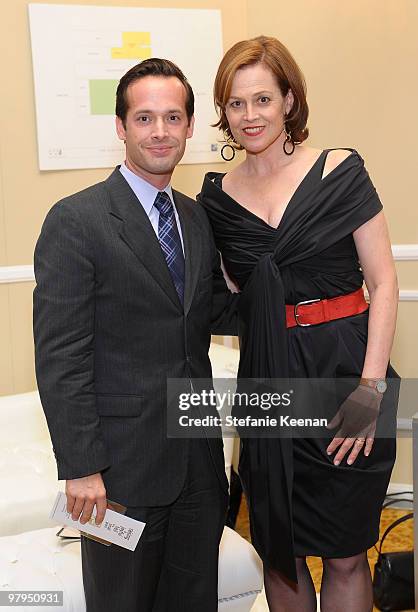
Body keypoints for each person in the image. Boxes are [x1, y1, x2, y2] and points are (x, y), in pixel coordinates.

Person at [198, 36, 399, 612]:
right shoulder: (216, 199)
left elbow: (383, 284)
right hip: (269, 382)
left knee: (344, 551)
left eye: (262, 99)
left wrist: (371, 389)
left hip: (346, 373)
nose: (250, 115)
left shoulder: (341, 172)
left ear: (289, 99)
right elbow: (230, 296)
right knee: (279, 550)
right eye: (236, 104)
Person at [33, 58, 236, 612]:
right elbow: (61, 357)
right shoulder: (76, 220)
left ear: (190, 127)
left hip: (197, 468)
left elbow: (208, 313)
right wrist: (81, 467)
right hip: (119, 473)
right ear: (121, 127)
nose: (160, 131)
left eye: (173, 117)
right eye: (144, 118)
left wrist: (308, 292)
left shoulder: (196, 219)